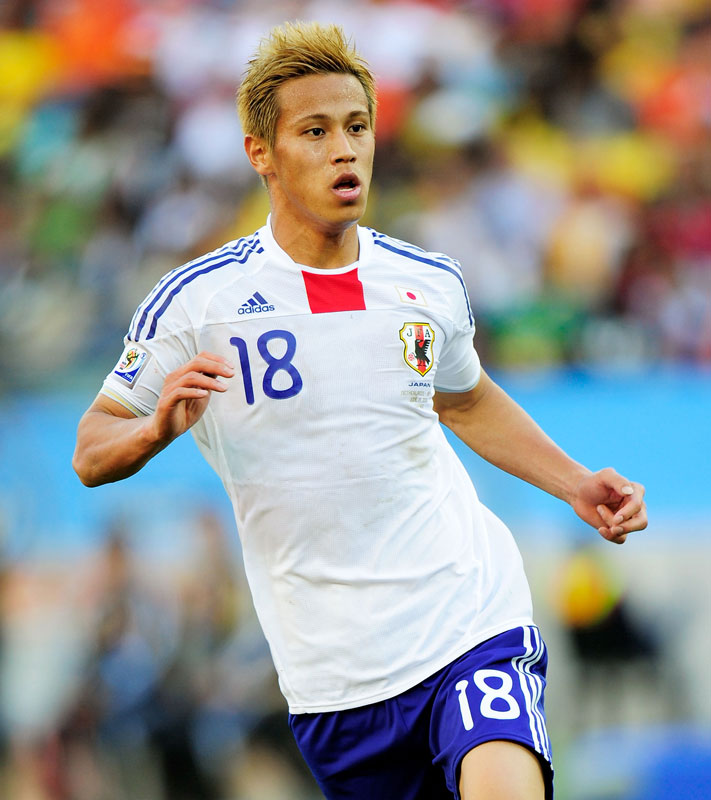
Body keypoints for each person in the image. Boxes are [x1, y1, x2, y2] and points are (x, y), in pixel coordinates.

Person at [73, 21, 647, 800]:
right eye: (315, 131)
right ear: (261, 153)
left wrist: (573, 482)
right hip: (334, 677)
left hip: (466, 618)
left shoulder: (427, 282)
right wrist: (152, 430)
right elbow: (91, 450)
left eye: (357, 127)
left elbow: (464, 397)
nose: (344, 150)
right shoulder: (196, 303)